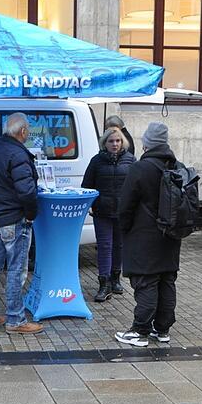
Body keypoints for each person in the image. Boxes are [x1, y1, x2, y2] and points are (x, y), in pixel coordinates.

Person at [115, 122, 181, 347]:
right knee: (166, 280)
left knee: (146, 282)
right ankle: (162, 330)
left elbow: (126, 205)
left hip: (143, 237)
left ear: (147, 143)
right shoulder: (176, 166)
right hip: (170, 236)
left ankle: (140, 330)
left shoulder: (140, 168)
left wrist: (123, 229)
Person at [0, 112, 43, 334]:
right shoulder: (18, 154)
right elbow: (27, 192)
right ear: (23, 131)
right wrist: (31, 214)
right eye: (28, 131)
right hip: (15, 219)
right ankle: (15, 319)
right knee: (17, 270)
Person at [81, 127, 135, 303]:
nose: (115, 144)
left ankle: (116, 279)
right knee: (104, 246)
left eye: (118, 141)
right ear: (105, 143)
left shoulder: (131, 160)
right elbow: (87, 185)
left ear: (123, 142)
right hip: (102, 211)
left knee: (119, 245)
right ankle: (104, 283)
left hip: (122, 211)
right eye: (111, 141)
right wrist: (92, 204)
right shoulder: (96, 161)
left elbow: (136, 186)